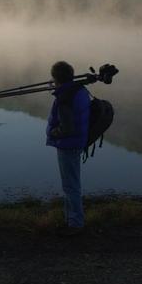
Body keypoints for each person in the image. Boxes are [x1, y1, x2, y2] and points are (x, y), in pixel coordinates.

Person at [45, 60, 91, 236]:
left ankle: (75, 224)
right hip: (77, 142)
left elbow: (67, 128)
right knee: (70, 184)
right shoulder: (78, 90)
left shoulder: (64, 100)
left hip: (68, 145)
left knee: (70, 186)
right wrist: (55, 88)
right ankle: (70, 219)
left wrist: (53, 133)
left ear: (56, 78)